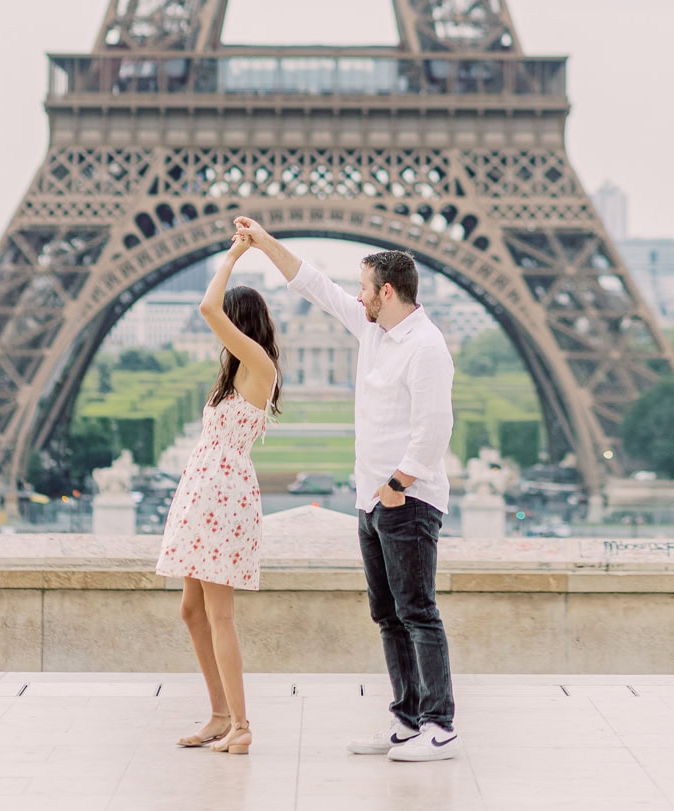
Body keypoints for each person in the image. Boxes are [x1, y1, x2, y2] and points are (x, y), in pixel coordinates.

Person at [233, 216, 459, 763]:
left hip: (405, 499)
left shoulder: (426, 346)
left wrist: (395, 486)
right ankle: (406, 719)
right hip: (372, 500)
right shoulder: (374, 331)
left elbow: (434, 430)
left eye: (363, 289)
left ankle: (440, 724)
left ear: (386, 291)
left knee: (418, 611)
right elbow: (315, 285)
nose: (356, 298)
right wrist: (264, 243)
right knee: (388, 615)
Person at [154, 236, 281, 755]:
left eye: (227, 324)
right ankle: (219, 714)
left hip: (221, 497)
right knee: (191, 609)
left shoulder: (258, 366)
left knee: (219, 613)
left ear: (240, 322)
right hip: (203, 491)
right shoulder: (234, 372)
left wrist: (232, 256)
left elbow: (208, 306)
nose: (217, 334)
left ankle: (242, 724)